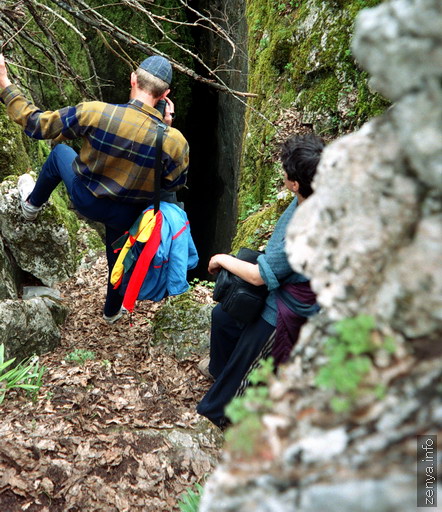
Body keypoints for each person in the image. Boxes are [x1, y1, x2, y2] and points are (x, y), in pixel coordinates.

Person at [0, 52, 189, 323]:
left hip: (85, 198)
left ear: (133, 79)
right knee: (117, 259)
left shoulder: (96, 112)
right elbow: (172, 184)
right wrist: (165, 128)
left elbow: (37, 125)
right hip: (126, 216)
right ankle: (112, 312)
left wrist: (5, 84)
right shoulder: (174, 142)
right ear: (165, 94)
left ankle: (31, 205)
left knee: (60, 153)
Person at [197, 133, 324, 428]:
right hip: (288, 282)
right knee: (224, 317)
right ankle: (220, 370)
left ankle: (219, 413)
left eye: (285, 171)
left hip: (288, 304)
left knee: (246, 360)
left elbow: (257, 277)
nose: (281, 172)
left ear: (295, 183)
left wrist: (220, 259)